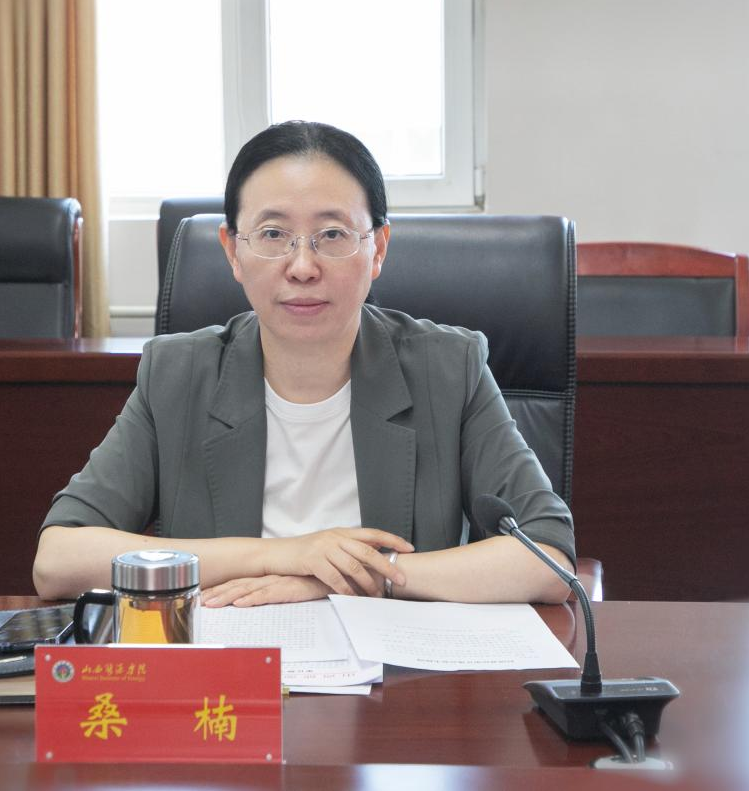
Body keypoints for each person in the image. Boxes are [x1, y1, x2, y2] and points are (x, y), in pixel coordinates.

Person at [34, 121, 575, 606]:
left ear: (378, 248)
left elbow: (548, 558)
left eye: (332, 235)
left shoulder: (448, 369)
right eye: (273, 235)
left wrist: (354, 577)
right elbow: (58, 560)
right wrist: (285, 555)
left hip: (397, 674)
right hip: (231, 670)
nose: (302, 266)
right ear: (232, 250)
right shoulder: (177, 374)